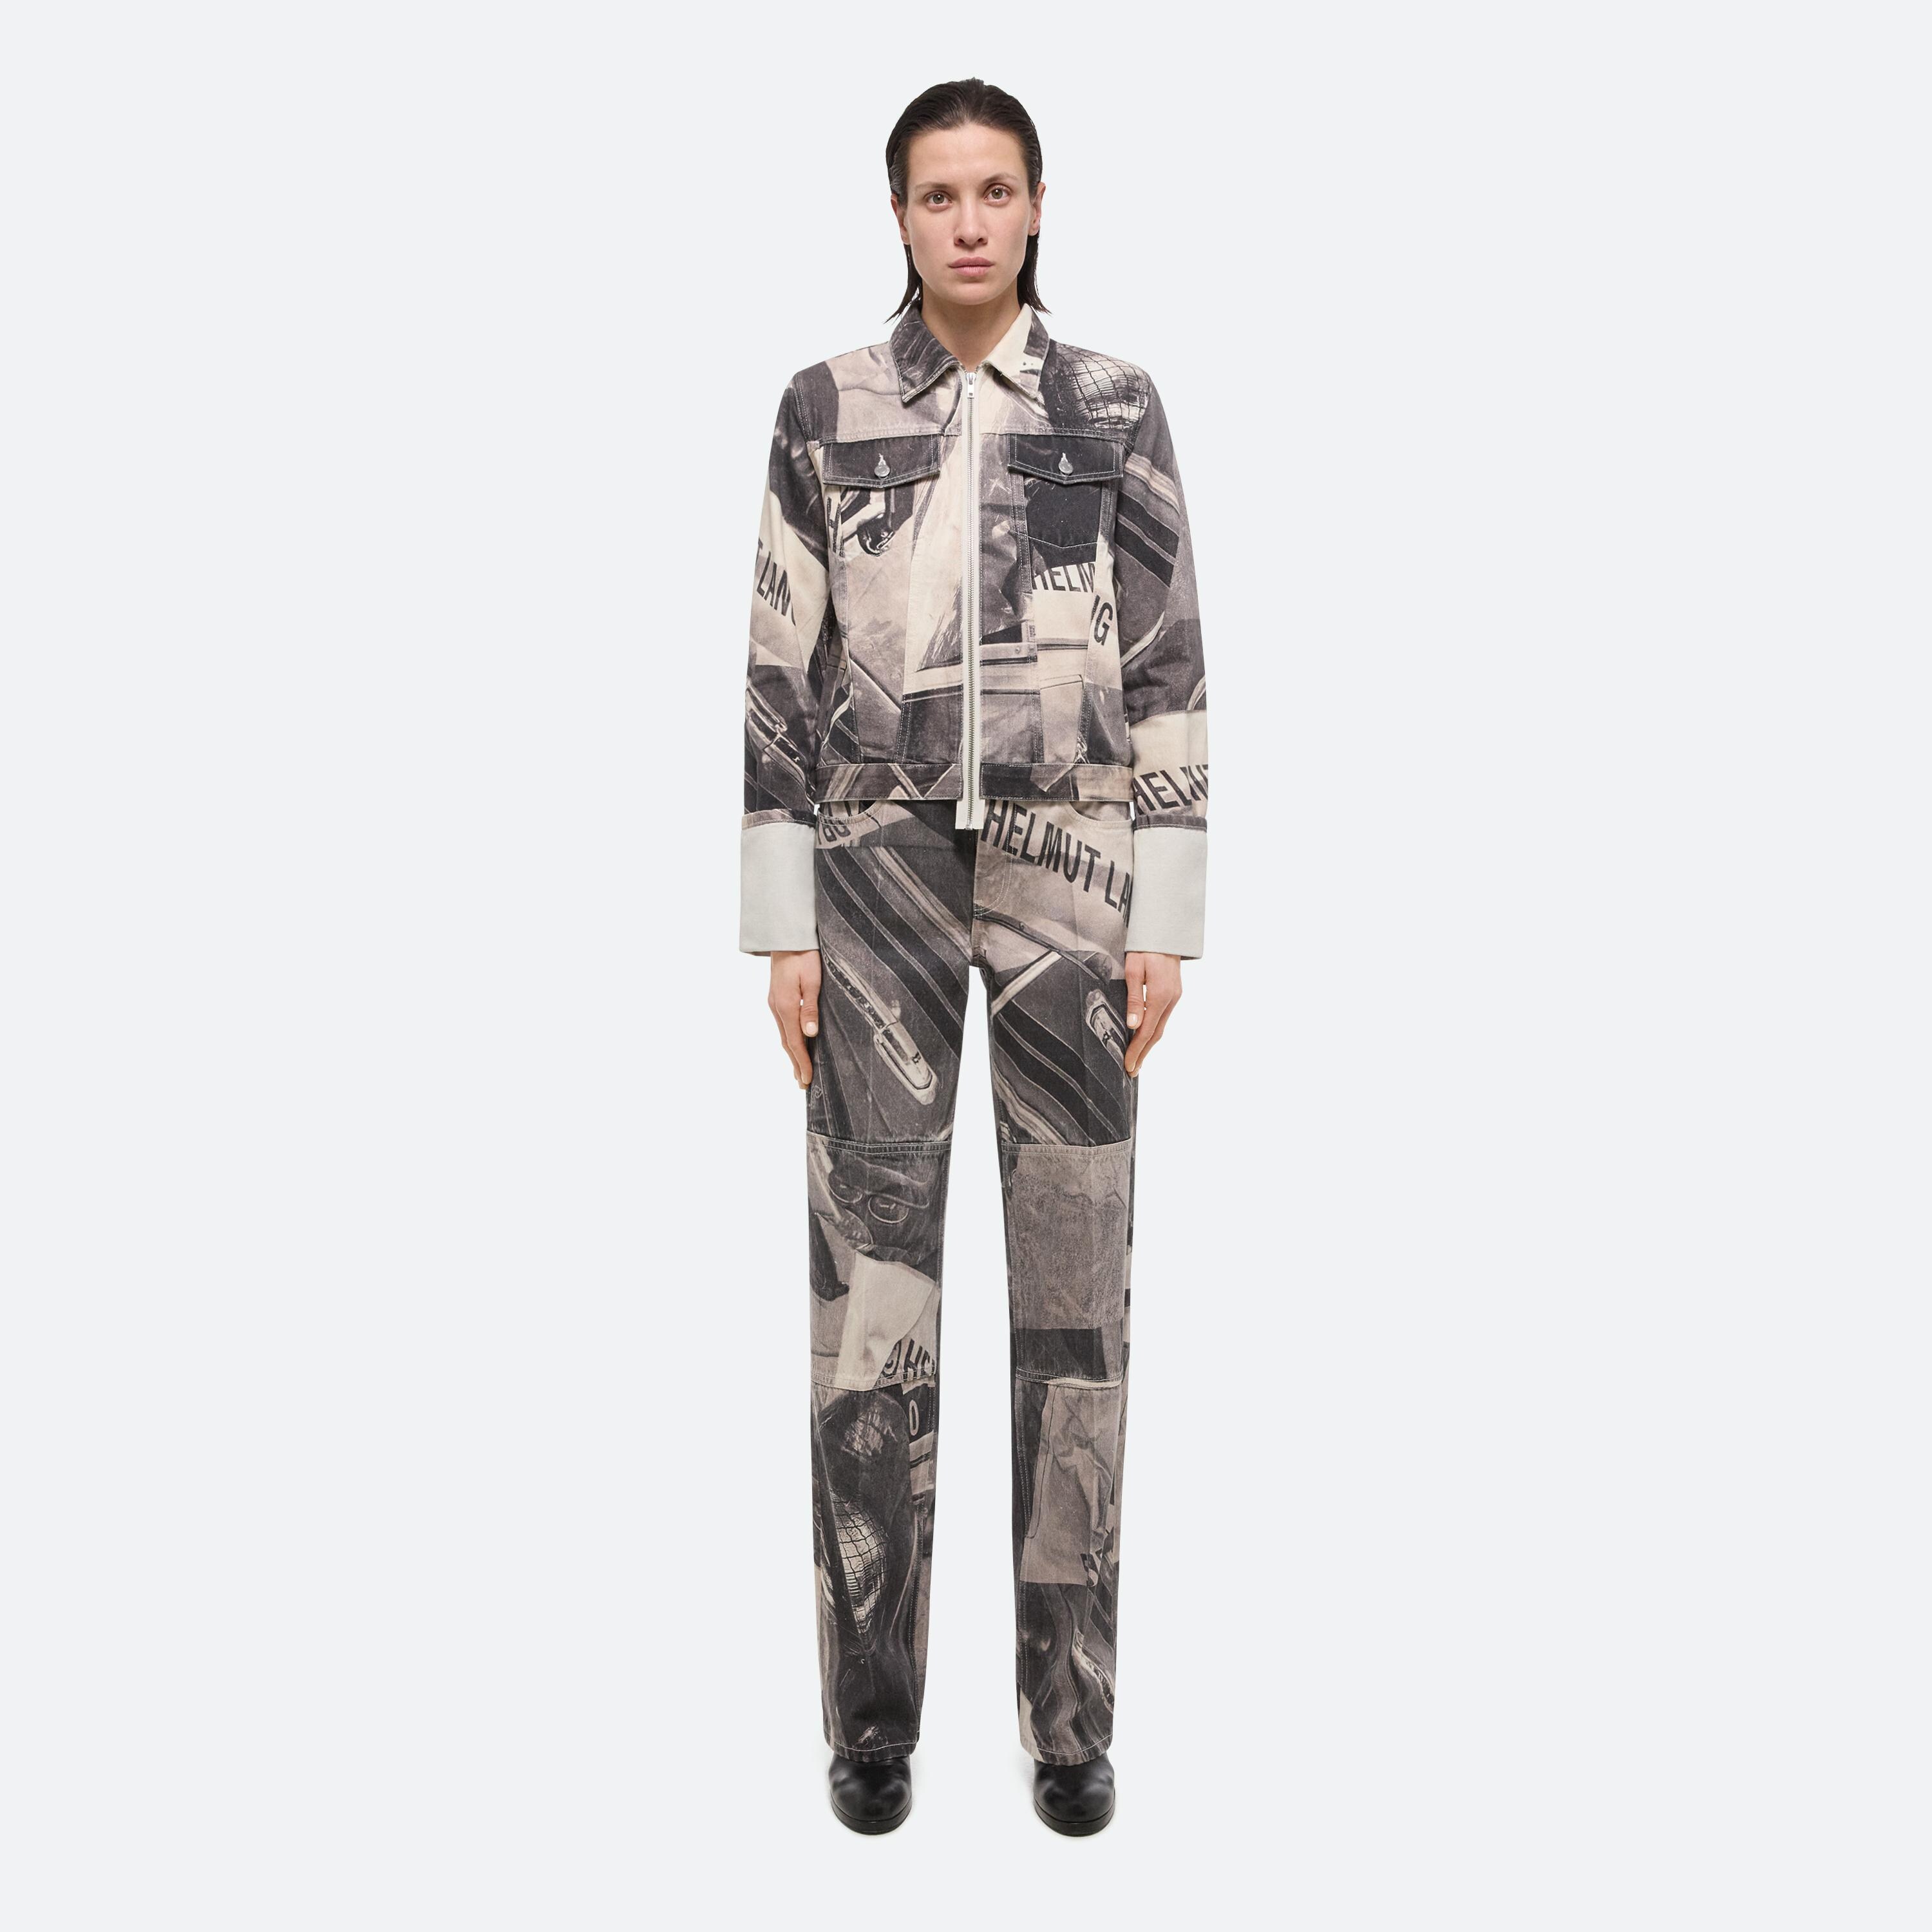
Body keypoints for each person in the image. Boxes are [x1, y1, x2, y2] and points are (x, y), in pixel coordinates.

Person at [737, 77, 1209, 1837]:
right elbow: (777, 666)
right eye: (938, 194)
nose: (968, 221)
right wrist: (783, 918)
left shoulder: (1114, 406)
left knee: (1075, 1302)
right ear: (899, 215)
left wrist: (1165, 911)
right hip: (871, 876)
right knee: (872, 1304)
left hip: (1070, 882)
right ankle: (871, 1722)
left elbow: (1169, 655)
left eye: (994, 190)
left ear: (1036, 206)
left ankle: (1069, 1720)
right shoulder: (824, 407)